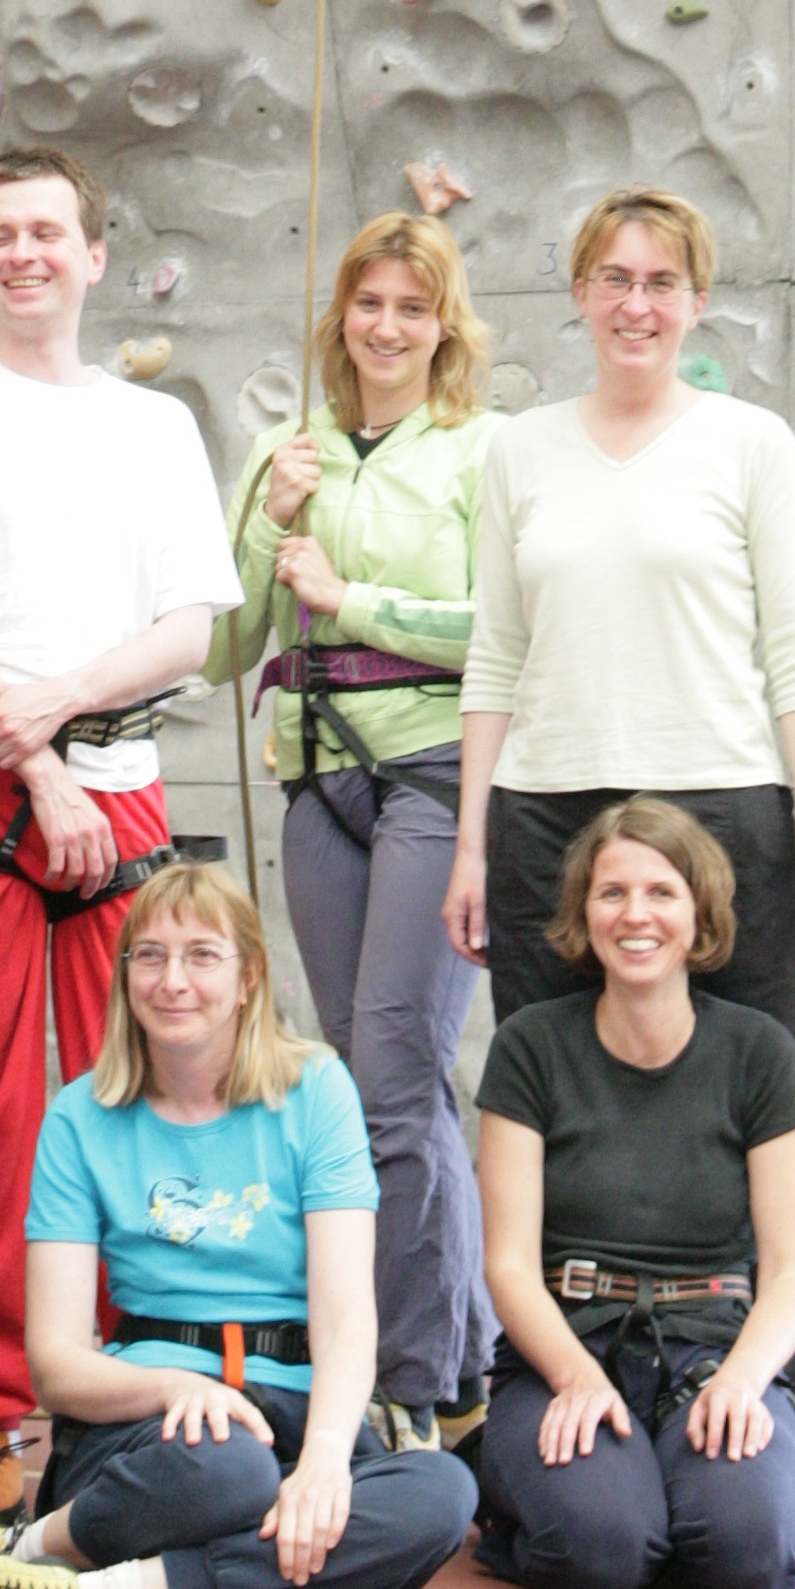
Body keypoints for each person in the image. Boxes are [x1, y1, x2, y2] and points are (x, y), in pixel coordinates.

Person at [446, 184, 795, 1549]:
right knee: (551, 1126)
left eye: (663, 283)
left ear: (697, 301)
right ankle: (556, 1424)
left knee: (786, 1124)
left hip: (731, 811)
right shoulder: (519, 449)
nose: (638, 304)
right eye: (615, 279)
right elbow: (495, 654)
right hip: (544, 819)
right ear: (579, 293)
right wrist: (470, 841)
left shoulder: (750, 444)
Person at [0, 146, 242, 1522]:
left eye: (47, 232)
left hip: (114, 778)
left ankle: (122, 1405)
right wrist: (32, 761)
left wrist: (65, 712)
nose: (23, 254)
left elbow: (190, 630)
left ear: (94, 256)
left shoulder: (153, 427)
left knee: (137, 1105)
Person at [0, 861, 478, 1589]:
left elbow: (345, 1323)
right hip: (153, 1434)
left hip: (293, 1409)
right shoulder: (80, 1118)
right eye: (151, 956)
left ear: (248, 978)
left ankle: (85, 1582)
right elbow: (56, 1365)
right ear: (126, 975)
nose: (173, 981)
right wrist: (174, 1389)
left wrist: (326, 1460)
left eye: (202, 955)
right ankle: (62, 1544)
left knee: (440, 1497)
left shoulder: (317, 1090)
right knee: (227, 1469)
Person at [217, 212, 493, 1435]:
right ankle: (463, 1362)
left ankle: (403, 1382)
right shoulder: (287, 453)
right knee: (371, 1076)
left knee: (392, 1073)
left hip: (432, 767)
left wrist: (351, 600)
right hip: (317, 775)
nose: (387, 327)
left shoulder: (481, 452)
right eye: (369, 304)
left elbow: (503, 630)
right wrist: (266, 519)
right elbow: (221, 643)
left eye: (412, 308)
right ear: (341, 318)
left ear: (444, 326)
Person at [475, 800, 795, 1589]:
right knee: (596, 1557)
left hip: (712, 1351)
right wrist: (574, 1377)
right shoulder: (529, 1046)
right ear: (583, 912)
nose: (636, 915)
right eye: (612, 893)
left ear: (699, 913)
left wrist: (742, 1382)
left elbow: (792, 1271)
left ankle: (673, 1500)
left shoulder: (760, 1051)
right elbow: (509, 1265)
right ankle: (591, 1500)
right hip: (569, 1348)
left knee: (756, 1561)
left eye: (662, 892)